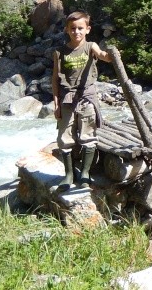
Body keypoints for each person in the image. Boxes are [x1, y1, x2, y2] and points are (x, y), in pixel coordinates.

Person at [51, 11, 112, 190]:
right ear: (66, 30)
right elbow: (54, 79)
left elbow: (102, 55)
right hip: (67, 99)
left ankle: (85, 173)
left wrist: (111, 55)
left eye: (80, 28)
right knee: (64, 137)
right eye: (73, 28)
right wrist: (56, 103)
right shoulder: (60, 52)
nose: (76, 32)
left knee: (88, 136)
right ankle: (69, 174)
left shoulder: (91, 46)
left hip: (87, 99)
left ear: (87, 29)